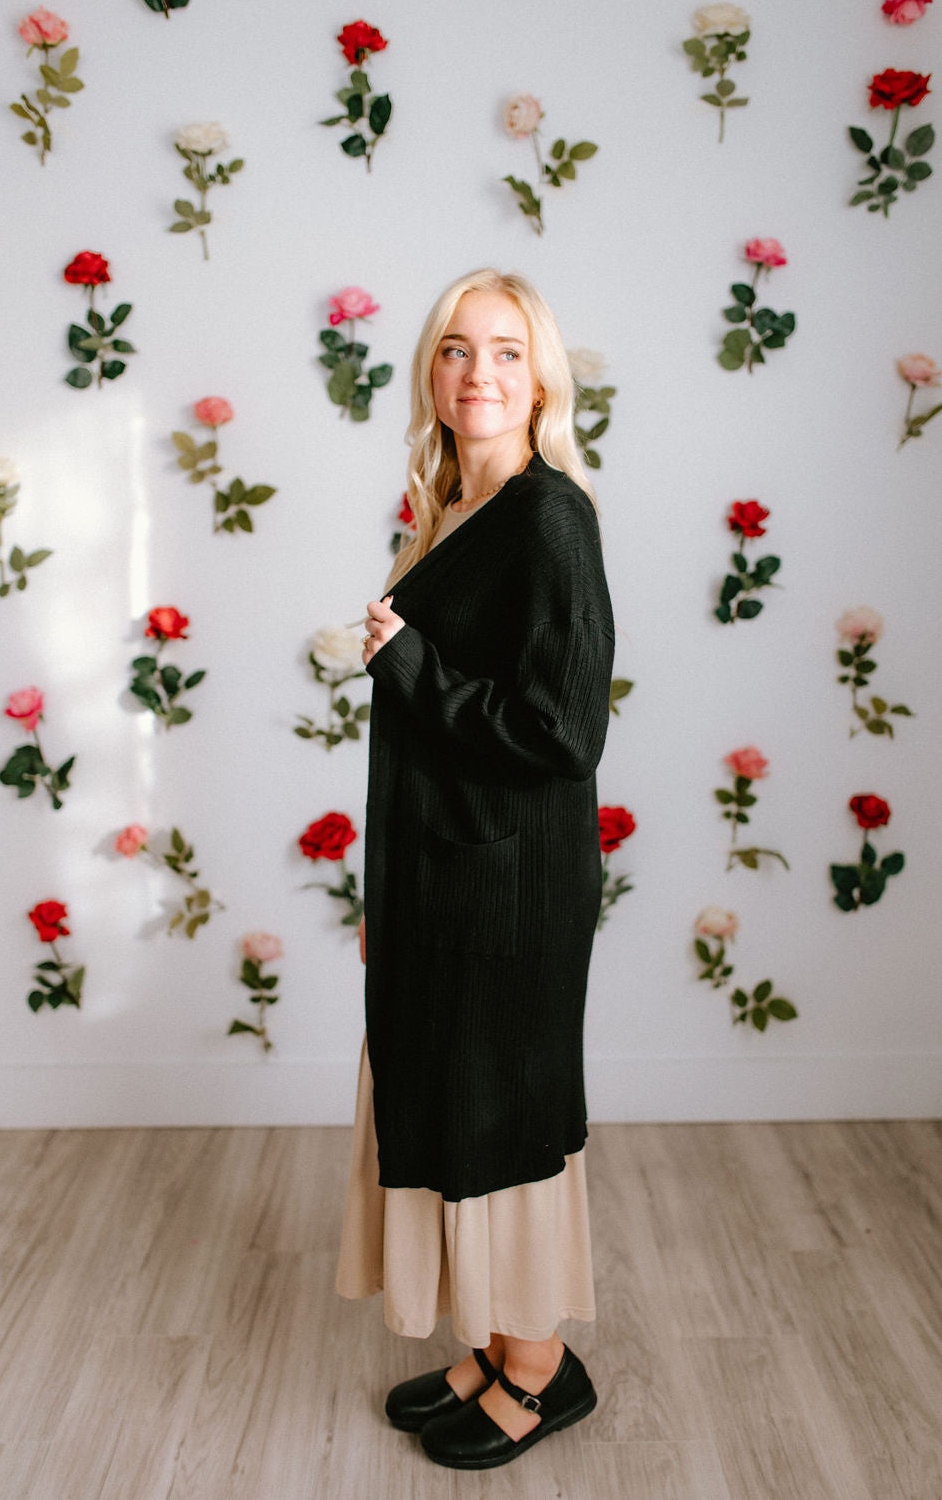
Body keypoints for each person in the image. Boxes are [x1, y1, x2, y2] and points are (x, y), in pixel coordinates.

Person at [335, 268, 615, 1471]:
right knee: (452, 1103)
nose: (478, 373)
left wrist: (408, 665)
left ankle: (541, 1372)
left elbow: (563, 733)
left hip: (510, 885)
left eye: (505, 351)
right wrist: (388, 891)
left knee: (502, 1118)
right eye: (456, 349)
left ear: (540, 377)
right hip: (443, 872)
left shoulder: (550, 517)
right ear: (431, 371)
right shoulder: (450, 503)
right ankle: (496, 1346)